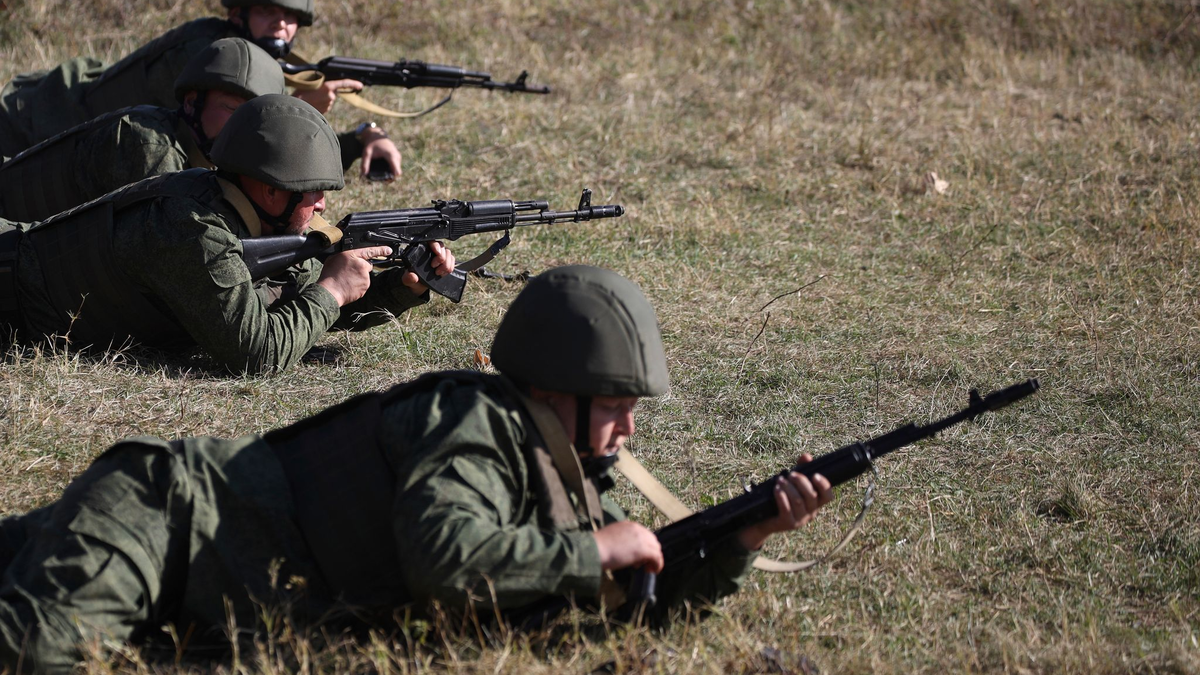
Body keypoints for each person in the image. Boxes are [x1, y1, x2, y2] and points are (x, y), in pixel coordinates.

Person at [0, 264, 834, 673]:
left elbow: (620, 615)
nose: (627, 426)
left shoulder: (558, 473)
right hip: (163, 517)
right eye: (613, 401)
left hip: (212, 606)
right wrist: (598, 551)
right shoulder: (471, 424)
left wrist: (741, 539)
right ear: (553, 388)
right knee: (38, 654)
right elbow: (447, 560)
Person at [0, 94, 453, 373]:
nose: (322, 205)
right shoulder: (192, 230)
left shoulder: (253, 220)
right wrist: (333, 290)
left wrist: (400, 288)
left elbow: (304, 308)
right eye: (311, 192)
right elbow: (257, 353)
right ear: (269, 189)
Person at [0, 0, 385, 169]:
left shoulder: (239, 52)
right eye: (267, 11)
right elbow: (255, 150)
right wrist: (301, 105)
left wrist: (363, 136)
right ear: (238, 13)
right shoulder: (209, 54)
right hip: (31, 128)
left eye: (290, 16)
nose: (280, 24)